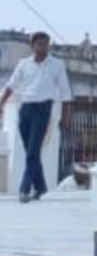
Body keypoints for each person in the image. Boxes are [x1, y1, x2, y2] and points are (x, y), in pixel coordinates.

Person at [0, 31, 73, 203]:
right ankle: (41, 187)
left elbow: (65, 93)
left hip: (43, 109)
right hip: (25, 108)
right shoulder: (24, 64)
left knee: (33, 150)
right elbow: (11, 85)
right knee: (30, 152)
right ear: (32, 46)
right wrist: (2, 103)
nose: (43, 47)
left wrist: (65, 116)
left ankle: (24, 189)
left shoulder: (56, 65)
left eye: (45, 44)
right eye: (39, 44)